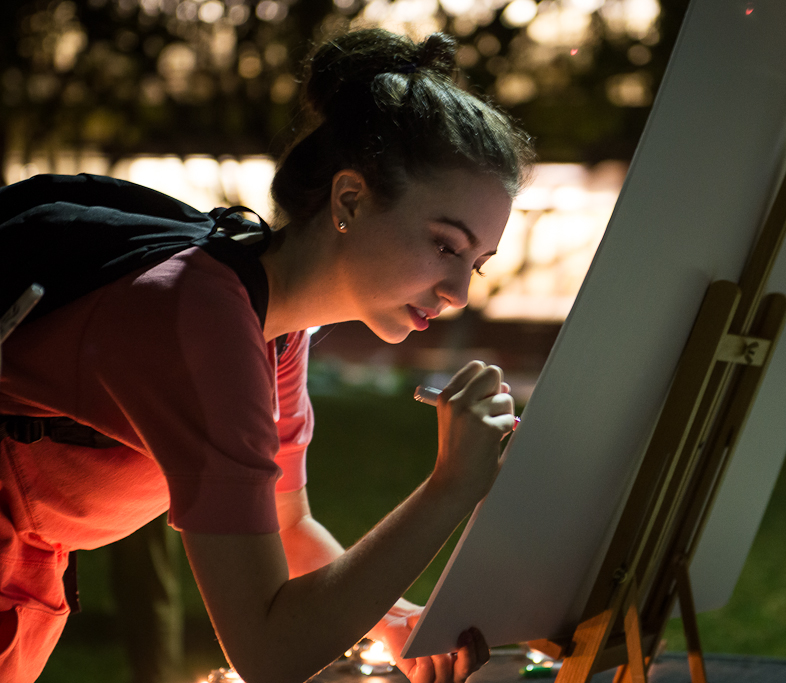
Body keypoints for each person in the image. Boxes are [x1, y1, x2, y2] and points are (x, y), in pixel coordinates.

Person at [0, 27, 534, 683]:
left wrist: (395, 622)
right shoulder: (202, 326)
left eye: (476, 264)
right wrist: (452, 486)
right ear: (349, 200)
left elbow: (286, 520)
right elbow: (269, 653)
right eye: (446, 245)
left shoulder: (271, 325)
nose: (457, 291)